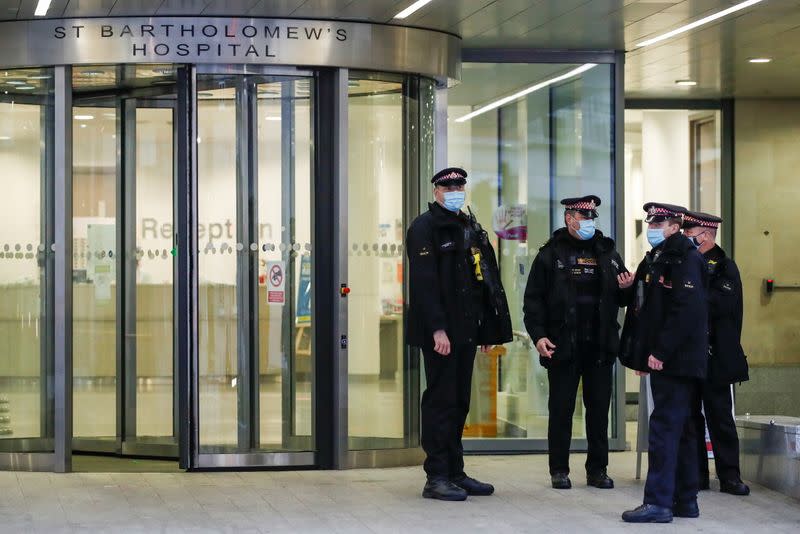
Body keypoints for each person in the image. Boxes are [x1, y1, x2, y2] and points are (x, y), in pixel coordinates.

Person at [406, 167, 513, 501]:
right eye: (448, 186)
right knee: (440, 401)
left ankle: (455, 471)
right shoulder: (424, 228)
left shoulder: (468, 225)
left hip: (467, 330)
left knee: (459, 402)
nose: (455, 190)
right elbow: (424, 284)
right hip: (441, 333)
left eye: (459, 185)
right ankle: (436, 475)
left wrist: (487, 327)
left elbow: (482, 278)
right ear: (436, 190)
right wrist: (437, 328)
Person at [522, 195, 631, 490]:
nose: (589, 223)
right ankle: (559, 469)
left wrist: (627, 289)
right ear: (569, 219)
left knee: (598, 411)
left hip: (599, 345)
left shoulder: (607, 252)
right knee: (561, 409)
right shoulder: (550, 254)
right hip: (564, 346)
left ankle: (597, 470)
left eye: (592, 217)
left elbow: (622, 297)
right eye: (584, 218)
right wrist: (539, 335)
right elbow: (533, 302)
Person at [619, 202, 708, 523]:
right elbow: (648, 311)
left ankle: (658, 502)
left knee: (663, 430)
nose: (652, 227)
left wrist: (661, 353)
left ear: (674, 226)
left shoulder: (685, 259)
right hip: (668, 358)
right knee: (681, 429)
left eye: (658, 222)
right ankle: (685, 500)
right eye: (650, 222)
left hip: (677, 361)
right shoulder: (659, 258)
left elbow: (686, 312)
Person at [682, 210, 750, 496]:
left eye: (691, 233)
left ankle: (730, 476)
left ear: (707, 235)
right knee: (691, 417)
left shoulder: (724, 267)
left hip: (716, 355)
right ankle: (697, 475)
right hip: (690, 354)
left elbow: (716, 304)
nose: (687, 238)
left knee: (719, 416)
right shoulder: (686, 263)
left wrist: (687, 294)